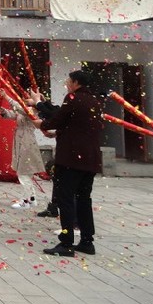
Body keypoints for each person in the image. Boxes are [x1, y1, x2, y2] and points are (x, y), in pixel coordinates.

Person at [30, 69, 103, 257]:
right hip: (90, 159)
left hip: (71, 159)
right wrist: (56, 131)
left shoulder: (73, 98)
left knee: (66, 199)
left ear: (76, 82)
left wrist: (42, 124)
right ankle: (87, 241)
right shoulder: (95, 101)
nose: (66, 83)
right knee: (84, 199)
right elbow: (76, 125)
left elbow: (58, 118)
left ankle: (66, 242)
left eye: (69, 80)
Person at [0, 92, 46, 209]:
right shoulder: (25, 109)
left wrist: (6, 97)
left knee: (23, 173)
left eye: (30, 98)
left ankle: (26, 200)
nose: (26, 99)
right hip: (20, 139)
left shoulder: (33, 111)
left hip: (27, 141)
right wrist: (3, 111)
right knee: (25, 173)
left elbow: (20, 109)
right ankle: (32, 199)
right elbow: (14, 114)